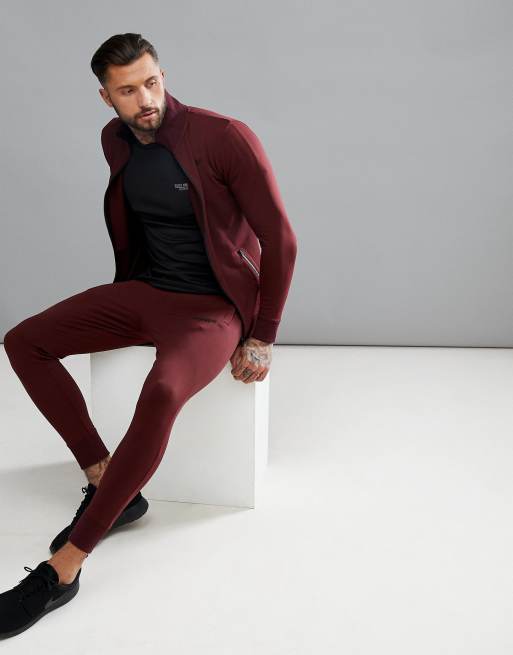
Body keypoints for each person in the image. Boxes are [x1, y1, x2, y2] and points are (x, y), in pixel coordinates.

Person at [0, 32, 297, 638]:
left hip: (213, 309)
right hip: (148, 292)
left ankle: (64, 569)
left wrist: (262, 335)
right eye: (128, 90)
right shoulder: (114, 140)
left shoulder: (223, 137)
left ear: (164, 75)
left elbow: (282, 240)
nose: (146, 100)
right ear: (105, 97)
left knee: (161, 393)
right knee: (23, 341)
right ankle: (107, 481)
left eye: (152, 82)